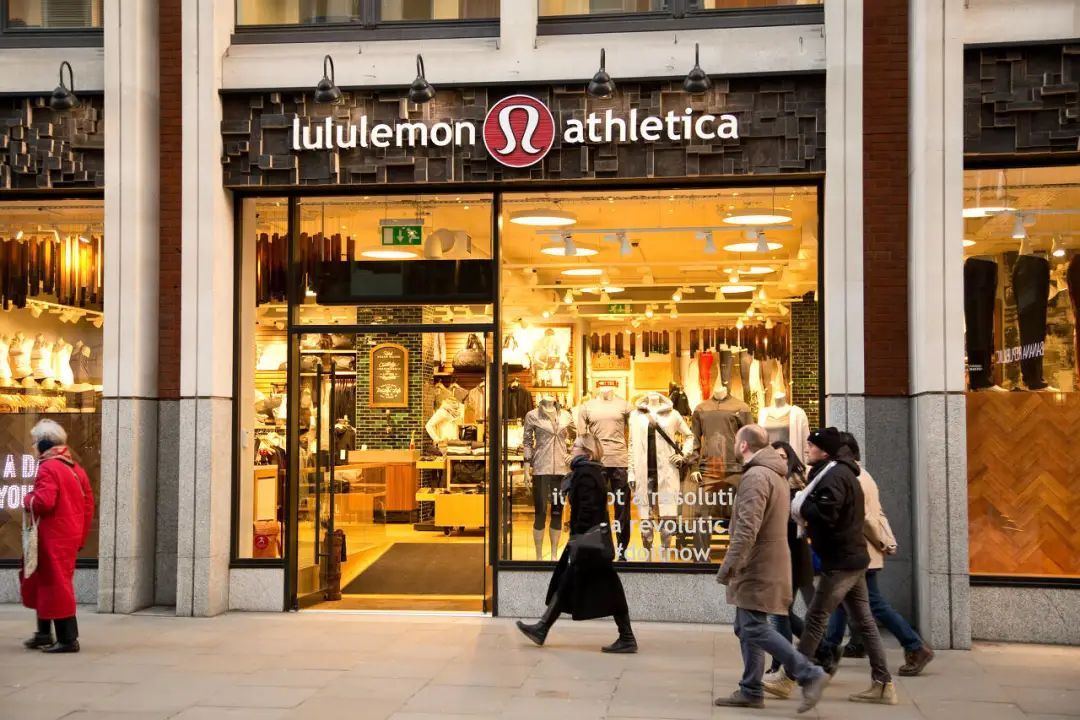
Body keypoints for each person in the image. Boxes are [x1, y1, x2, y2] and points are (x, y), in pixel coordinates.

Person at [766, 427, 897, 705]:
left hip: (840, 561)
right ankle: (883, 683)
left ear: (824, 451)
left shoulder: (834, 476)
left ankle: (790, 677)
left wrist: (802, 505)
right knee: (865, 622)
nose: (806, 449)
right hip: (851, 558)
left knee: (815, 618)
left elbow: (826, 513)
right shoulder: (836, 472)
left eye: (811, 445)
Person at [714, 425, 828, 713]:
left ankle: (809, 673)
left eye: (736, 441)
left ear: (743, 445)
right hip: (766, 560)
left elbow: (747, 529)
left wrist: (729, 566)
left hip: (757, 563)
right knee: (746, 626)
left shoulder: (756, 476)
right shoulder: (774, 473)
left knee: (753, 626)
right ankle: (751, 689)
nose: (735, 445)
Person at [819, 433, 935, 677]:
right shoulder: (863, 475)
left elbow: (866, 519)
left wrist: (883, 542)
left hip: (860, 551)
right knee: (840, 601)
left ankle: (915, 646)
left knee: (872, 603)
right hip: (861, 551)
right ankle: (829, 649)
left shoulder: (852, 477)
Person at [516, 434, 637, 653]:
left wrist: (577, 539)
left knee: (604, 587)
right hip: (591, 541)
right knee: (568, 581)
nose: (572, 448)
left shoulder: (586, 474)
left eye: (576, 446)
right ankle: (542, 627)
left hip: (589, 543)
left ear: (587, 452)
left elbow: (588, 510)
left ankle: (627, 637)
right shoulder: (589, 472)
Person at [20, 419, 94, 653]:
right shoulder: (74, 468)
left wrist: (27, 499)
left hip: (51, 537)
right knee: (47, 583)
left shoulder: (48, 467)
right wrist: (80, 537)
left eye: (34, 442)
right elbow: (88, 505)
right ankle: (44, 634)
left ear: (44, 444)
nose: (33, 446)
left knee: (56, 586)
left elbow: (44, 501)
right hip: (67, 536)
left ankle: (67, 639)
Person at [764, 440, 816, 676]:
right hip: (779, 558)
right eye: (775, 456)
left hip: (792, 558)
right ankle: (823, 649)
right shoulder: (772, 483)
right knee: (783, 612)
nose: (779, 461)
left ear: (791, 459)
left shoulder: (796, 488)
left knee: (779, 614)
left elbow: (789, 524)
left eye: (783, 457)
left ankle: (781, 664)